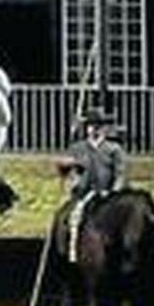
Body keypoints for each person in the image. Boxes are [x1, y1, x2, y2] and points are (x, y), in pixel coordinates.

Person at [57, 108, 128, 263]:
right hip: (83, 194)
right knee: (70, 218)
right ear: (86, 128)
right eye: (91, 125)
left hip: (107, 195)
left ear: (105, 128)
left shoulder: (114, 149)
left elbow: (120, 175)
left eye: (98, 125)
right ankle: (70, 253)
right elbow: (69, 172)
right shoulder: (78, 148)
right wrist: (67, 170)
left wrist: (113, 192)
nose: (94, 129)